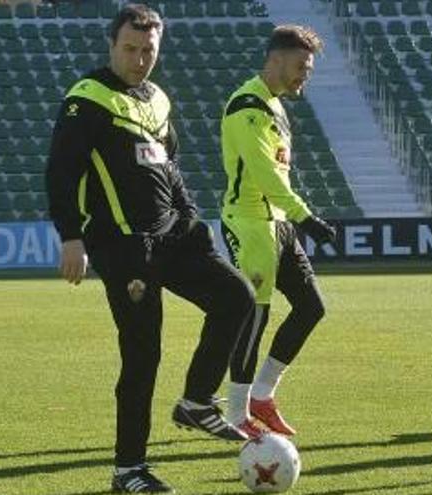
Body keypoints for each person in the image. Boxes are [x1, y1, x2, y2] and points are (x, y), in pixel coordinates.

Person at [45, 4, 255, 493]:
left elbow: (169, 163)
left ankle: (197, 401)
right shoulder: (88, 99)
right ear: (112, 46)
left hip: (174, 236)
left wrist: (189, 214)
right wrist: (70, 236)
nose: (140, 59)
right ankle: (128, 470)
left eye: (148, 51)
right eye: (130, 49)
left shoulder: (157, 99)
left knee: (237, 298)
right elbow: (61, 172)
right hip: (122, 245)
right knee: (143, 355)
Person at [219, 25, 336, 438]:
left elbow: (277, 173)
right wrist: (305, 216)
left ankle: (262, 395)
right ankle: (235, 414)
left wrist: (292, 219)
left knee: (311, 307)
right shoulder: (247, 106)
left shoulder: (275, 105)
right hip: (250, 224)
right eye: (302, 65)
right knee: (254, 316)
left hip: (278, 224)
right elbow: (264, 172)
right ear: (276, 60)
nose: (306, 74)